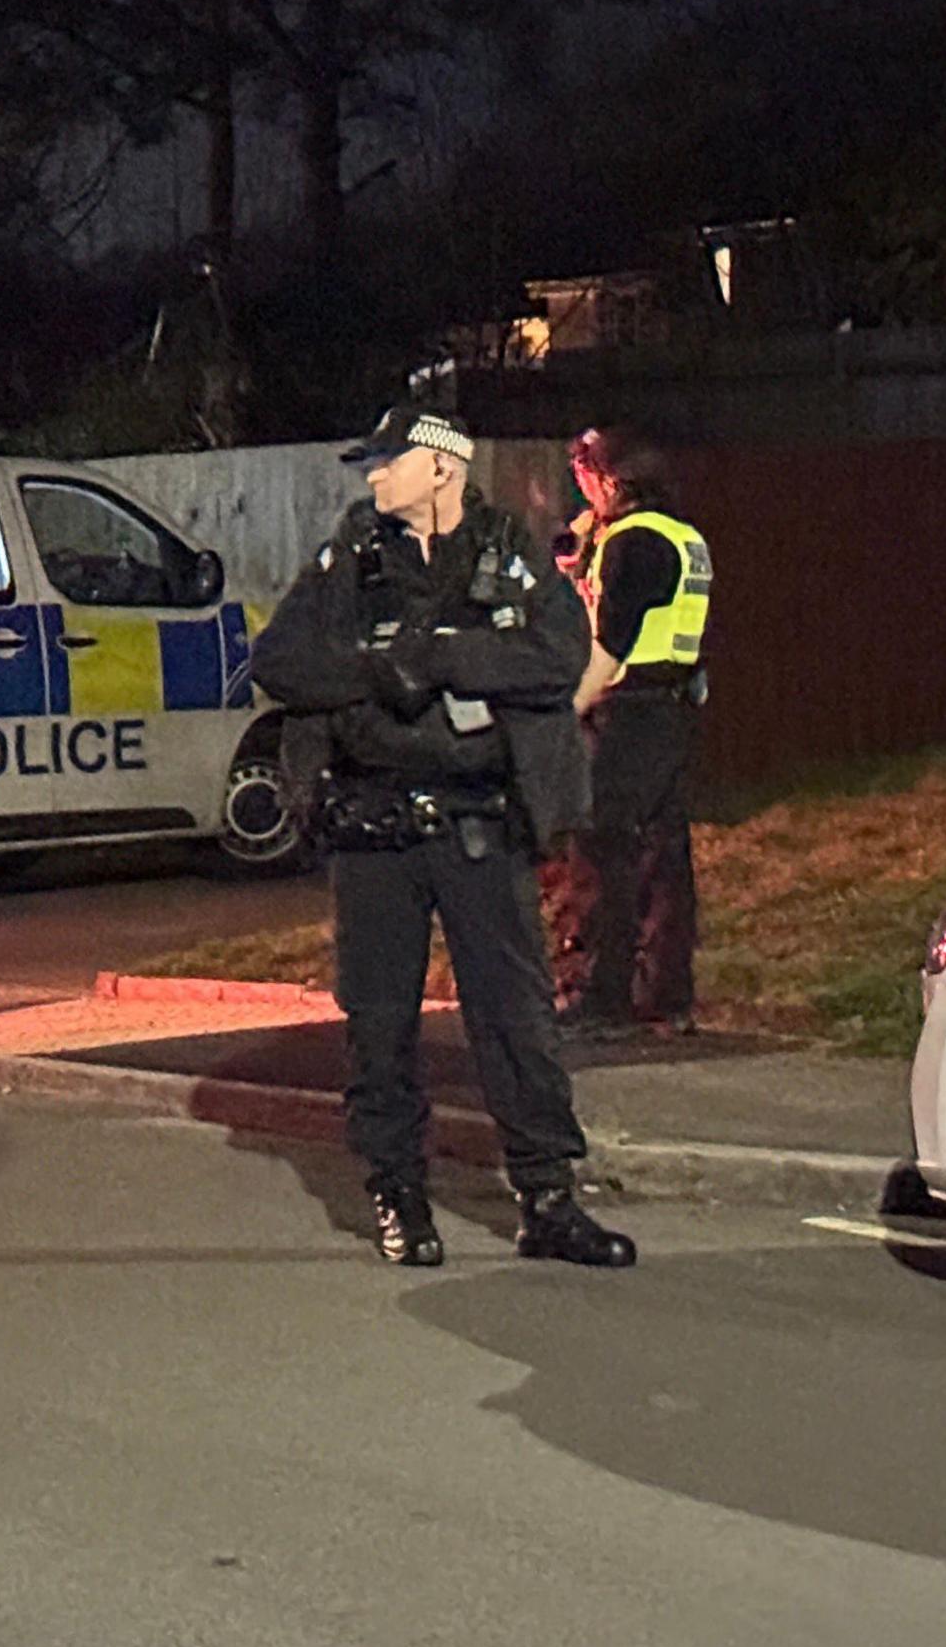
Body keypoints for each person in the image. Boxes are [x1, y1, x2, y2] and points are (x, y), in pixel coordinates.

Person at [252, 404, 636, 1272]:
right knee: (380, 1026)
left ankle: (547, 1200)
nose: (373, 477)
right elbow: (280, 663)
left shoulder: (508, 550)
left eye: (388, 462)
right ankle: (399, 1197)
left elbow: (555, 658)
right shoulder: (353, 553)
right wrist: (377, 672)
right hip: (374, 830)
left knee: (514, 1020)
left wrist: (442, 657)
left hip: (480, 824)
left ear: (440, 466)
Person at [563, 427, 711, 1040]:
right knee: (662, 854)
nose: (585, 497)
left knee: (603, 853)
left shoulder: (632, 542)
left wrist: (568, 707)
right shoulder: (682, 535)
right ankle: (664, 992)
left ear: (609, 480)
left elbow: (611, 648)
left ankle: (601, 997)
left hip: (628, 711)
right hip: (672, 708)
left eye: (586, 482)